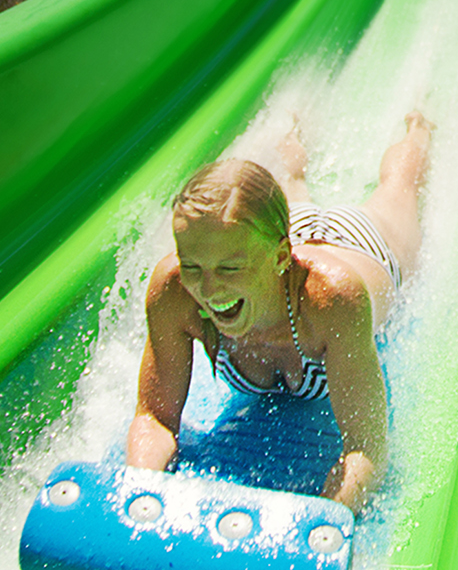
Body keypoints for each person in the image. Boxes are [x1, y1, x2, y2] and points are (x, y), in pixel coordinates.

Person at [127, 111, 432, 514]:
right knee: (289, 192)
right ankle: (294, 152)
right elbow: (155, 419)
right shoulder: (175, 291)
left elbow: (366, 448)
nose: (208, 289)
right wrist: (137, 491)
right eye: (192, 266)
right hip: (280, 241)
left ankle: (419, 126)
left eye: (228, 270)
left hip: (363, 246)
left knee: (399, 186)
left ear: (281, 256)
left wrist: (326, 520)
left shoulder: (335, 303)